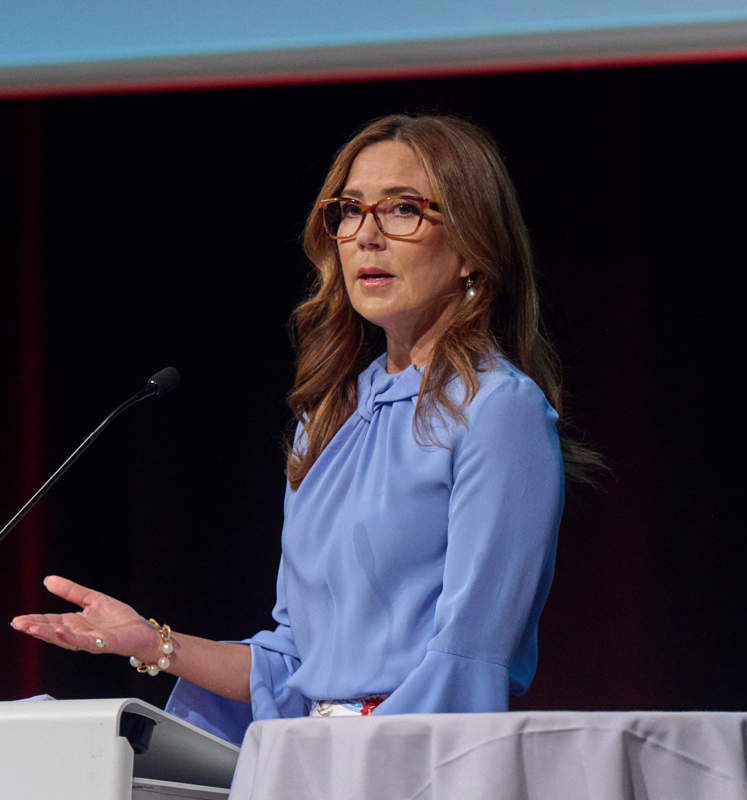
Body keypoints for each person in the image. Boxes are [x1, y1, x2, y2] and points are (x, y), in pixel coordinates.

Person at [11, 114, 593, 745]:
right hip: (312, 763)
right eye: (349, 210)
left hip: (412, 765)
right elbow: (293, 664)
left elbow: (469, 657)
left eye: (402, 209)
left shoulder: (498, 410)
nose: (367, 235)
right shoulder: (329, 418)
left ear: (474, 245)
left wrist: (344, 769)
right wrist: (157, 644)